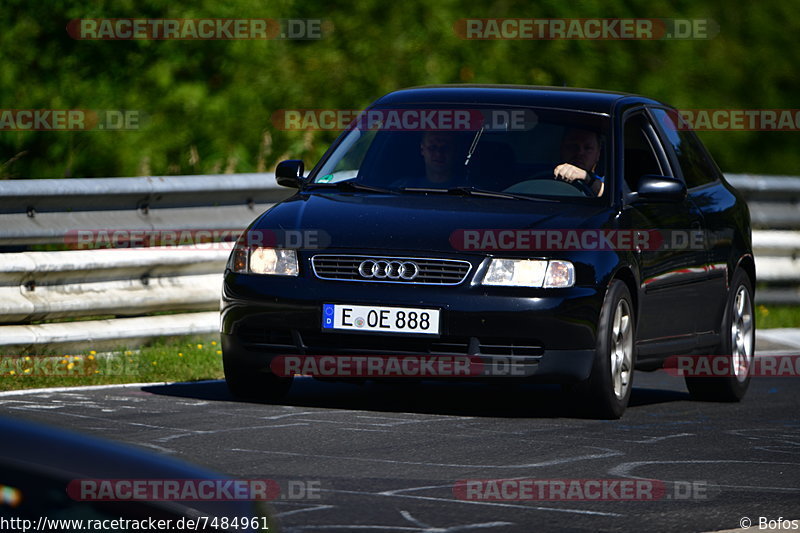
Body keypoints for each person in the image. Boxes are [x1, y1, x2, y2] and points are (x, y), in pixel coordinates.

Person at [553, 128, 604, 197]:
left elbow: (615, 198)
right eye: (573, 146)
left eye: (587, 148)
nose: (580, 152)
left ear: (598, 154)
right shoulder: (541, 174)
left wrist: (587, 178)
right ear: (562, 148)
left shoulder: (611, 183)